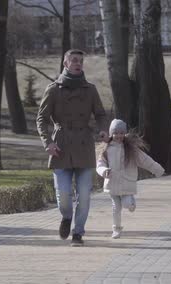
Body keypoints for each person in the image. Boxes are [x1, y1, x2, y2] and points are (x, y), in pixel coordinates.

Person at [36, 49, 109, 247]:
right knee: (63, 194)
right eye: (74, 60)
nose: (78, 63)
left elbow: (101, 114)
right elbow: (41, 118)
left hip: (84, 145)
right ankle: (66, 217)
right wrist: (47, 142)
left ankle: (78, 232)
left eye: (80, 61)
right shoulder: (53, 89)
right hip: (60, 146)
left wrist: (103, 130)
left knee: (84, 194)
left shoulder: (90, 89)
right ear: (65, 64)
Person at [96, 119, 165, 239]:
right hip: (112, 183)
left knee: (127, 204)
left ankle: (131, 202)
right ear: (111, 133)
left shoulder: (131, 149)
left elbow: (145, 160)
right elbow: (100, 164)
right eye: (116, 133)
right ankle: (116, 229)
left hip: (127, 183)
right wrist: (104, 171)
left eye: (121, 133)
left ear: (125, 133)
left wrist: (157, 170)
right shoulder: (106, 149)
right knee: (116, 207)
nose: (118, 136)